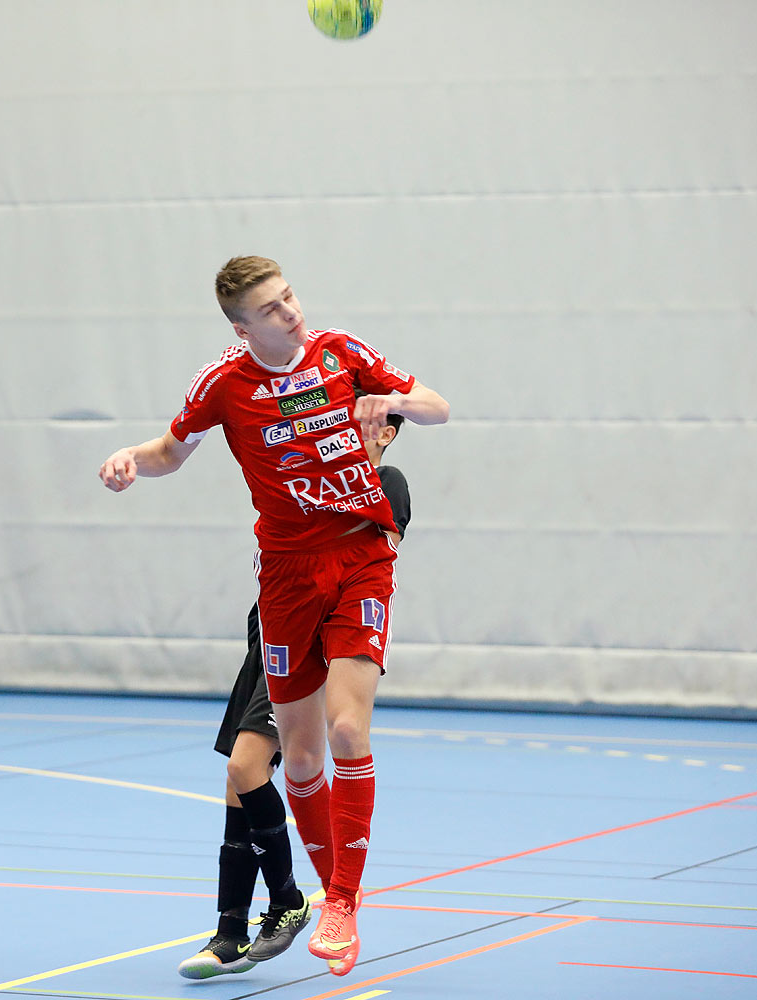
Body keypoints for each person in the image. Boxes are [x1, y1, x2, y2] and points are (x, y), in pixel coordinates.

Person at [101, 256, 448, 976]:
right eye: (272, 308)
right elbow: (171, 451)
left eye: (290, 298)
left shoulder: (342, 353)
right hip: (286, 577)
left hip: (357, 558)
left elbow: (437, 406)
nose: (291, 314)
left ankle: (342, 903)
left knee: (348, 727)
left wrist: (393, 405)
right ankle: (302, 898)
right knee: (299, 756)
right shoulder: (224, 385)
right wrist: (130, 457)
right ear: (242, 325)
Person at [178, 410, 412, 980]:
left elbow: (360, 536)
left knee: (261, 761)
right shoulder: (295, 468)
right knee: (240, 780)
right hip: (271, 631)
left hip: (324, 627)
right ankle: (232, 930)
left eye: (365, 417)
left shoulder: (387, 483)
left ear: (386, 431)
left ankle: (301, 901)